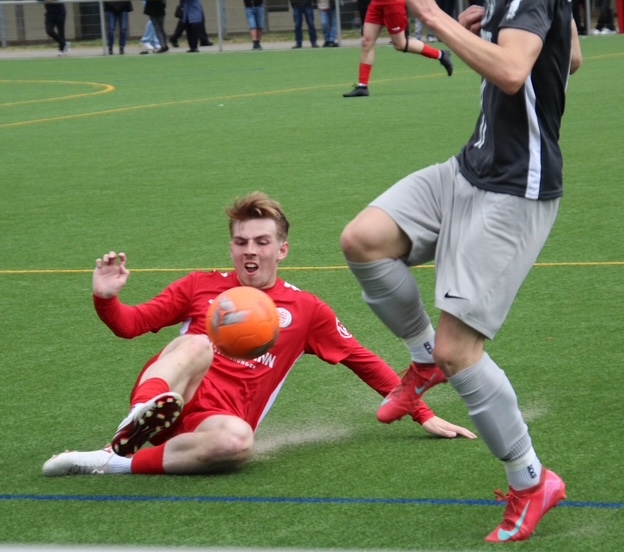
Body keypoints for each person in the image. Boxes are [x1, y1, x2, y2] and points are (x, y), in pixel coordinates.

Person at [340, 0, 582, 543]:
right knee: (364, 240)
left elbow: (513, 72)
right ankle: (423, 357)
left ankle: (531, 480)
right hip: (469, 168)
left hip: (515, 191)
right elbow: (572, 56)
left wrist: (436, 18)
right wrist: (489, 32)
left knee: (461, 352)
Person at [43, 193, 475, 478]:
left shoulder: (307, 309)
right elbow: (130, 325)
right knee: (197, 342)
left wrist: (420, 412)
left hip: (215, 424)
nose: (250, 250)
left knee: (238, 443)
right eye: (241, 241)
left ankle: (112, 462)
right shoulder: (199, 285)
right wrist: (106, 298)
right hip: (173, 394)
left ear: (282, 250)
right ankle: (137, 419)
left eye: (262, 241)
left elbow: (361, 360)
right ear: (232, 246)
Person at [342, 0, 452, 97]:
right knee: (367, 42)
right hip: (376, 3)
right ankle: (362, 86)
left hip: (393, 3)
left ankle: (441, 55)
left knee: (400, 44)